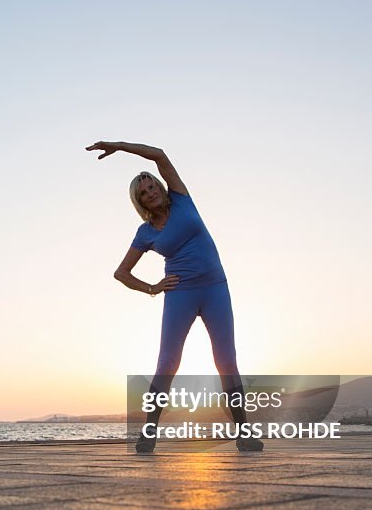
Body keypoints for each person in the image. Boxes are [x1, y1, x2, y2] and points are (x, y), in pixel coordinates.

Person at [85, 140, 264, 453]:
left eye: (152, 184)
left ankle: (244, 433)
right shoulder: (146, 234)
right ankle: (149, 433)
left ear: (160, 185)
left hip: (215, 289)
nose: (150, 191)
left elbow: (160, 155)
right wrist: (153, 288)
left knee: (226, 360)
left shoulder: (182, 199)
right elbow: (121, 273)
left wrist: (119, 147)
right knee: (167, 362)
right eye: (143, 191)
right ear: (139, 201)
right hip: (179, 294)